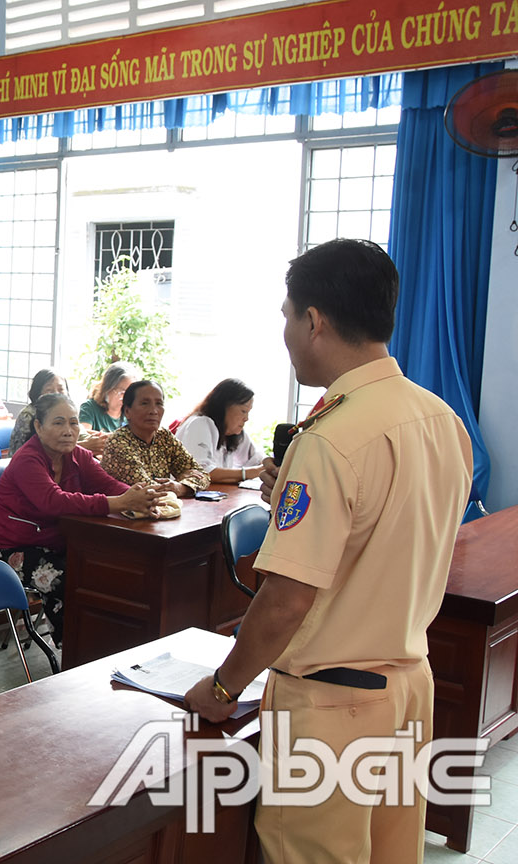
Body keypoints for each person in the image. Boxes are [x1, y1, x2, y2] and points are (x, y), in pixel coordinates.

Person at [182, 239, 472, 864]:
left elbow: (287, 599)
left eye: (287, 316)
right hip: (406, 688)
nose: (286, 333)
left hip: (333, 704)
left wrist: (225, 688)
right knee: (391, 853)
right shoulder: (441, 420)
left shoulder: (333, 438)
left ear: (314, 320)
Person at [0, 393, 160, 644]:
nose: (68, 430)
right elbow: (54, 502)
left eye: (73, 422)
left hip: (62, 544)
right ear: (38, 426)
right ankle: (75, 651)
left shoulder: (78, 455)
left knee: (113, 570)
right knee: (80, 579)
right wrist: (119, 503)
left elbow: (108, 484)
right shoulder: (27, 459)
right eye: (58, 423)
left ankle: (95, 645)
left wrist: (141, 497)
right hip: (17, 550)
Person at [101, 380, 209, 497]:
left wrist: (181, 487)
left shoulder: (163, 436)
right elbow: (148, 490)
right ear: (127, 411)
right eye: (144, 403)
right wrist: (182, 483)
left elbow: (202, 474)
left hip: (162, 510)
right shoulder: (118, 443)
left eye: (159, 404)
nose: (153, 411)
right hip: (122, 513)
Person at [173, 378, 266, 484]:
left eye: (248, 412)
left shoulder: (233, 433)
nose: (246, 418)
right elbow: (201, 473)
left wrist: (269, 465)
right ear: (224, 406)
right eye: (243, 411)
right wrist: (249, 473)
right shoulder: (200, 423)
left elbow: (256, 458)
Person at [79, 362, 138, 454]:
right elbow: (82, 434)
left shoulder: (130, 413)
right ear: (108, 388)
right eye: (122, 392)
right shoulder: (90, 407)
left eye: (131, 394)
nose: (127, 398)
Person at [9, 369, 68, 454]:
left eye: (61, 389)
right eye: (49, 390)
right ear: (38, 393)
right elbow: (42, 450)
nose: (56, 394)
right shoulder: (28, 415)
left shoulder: (68, 413)